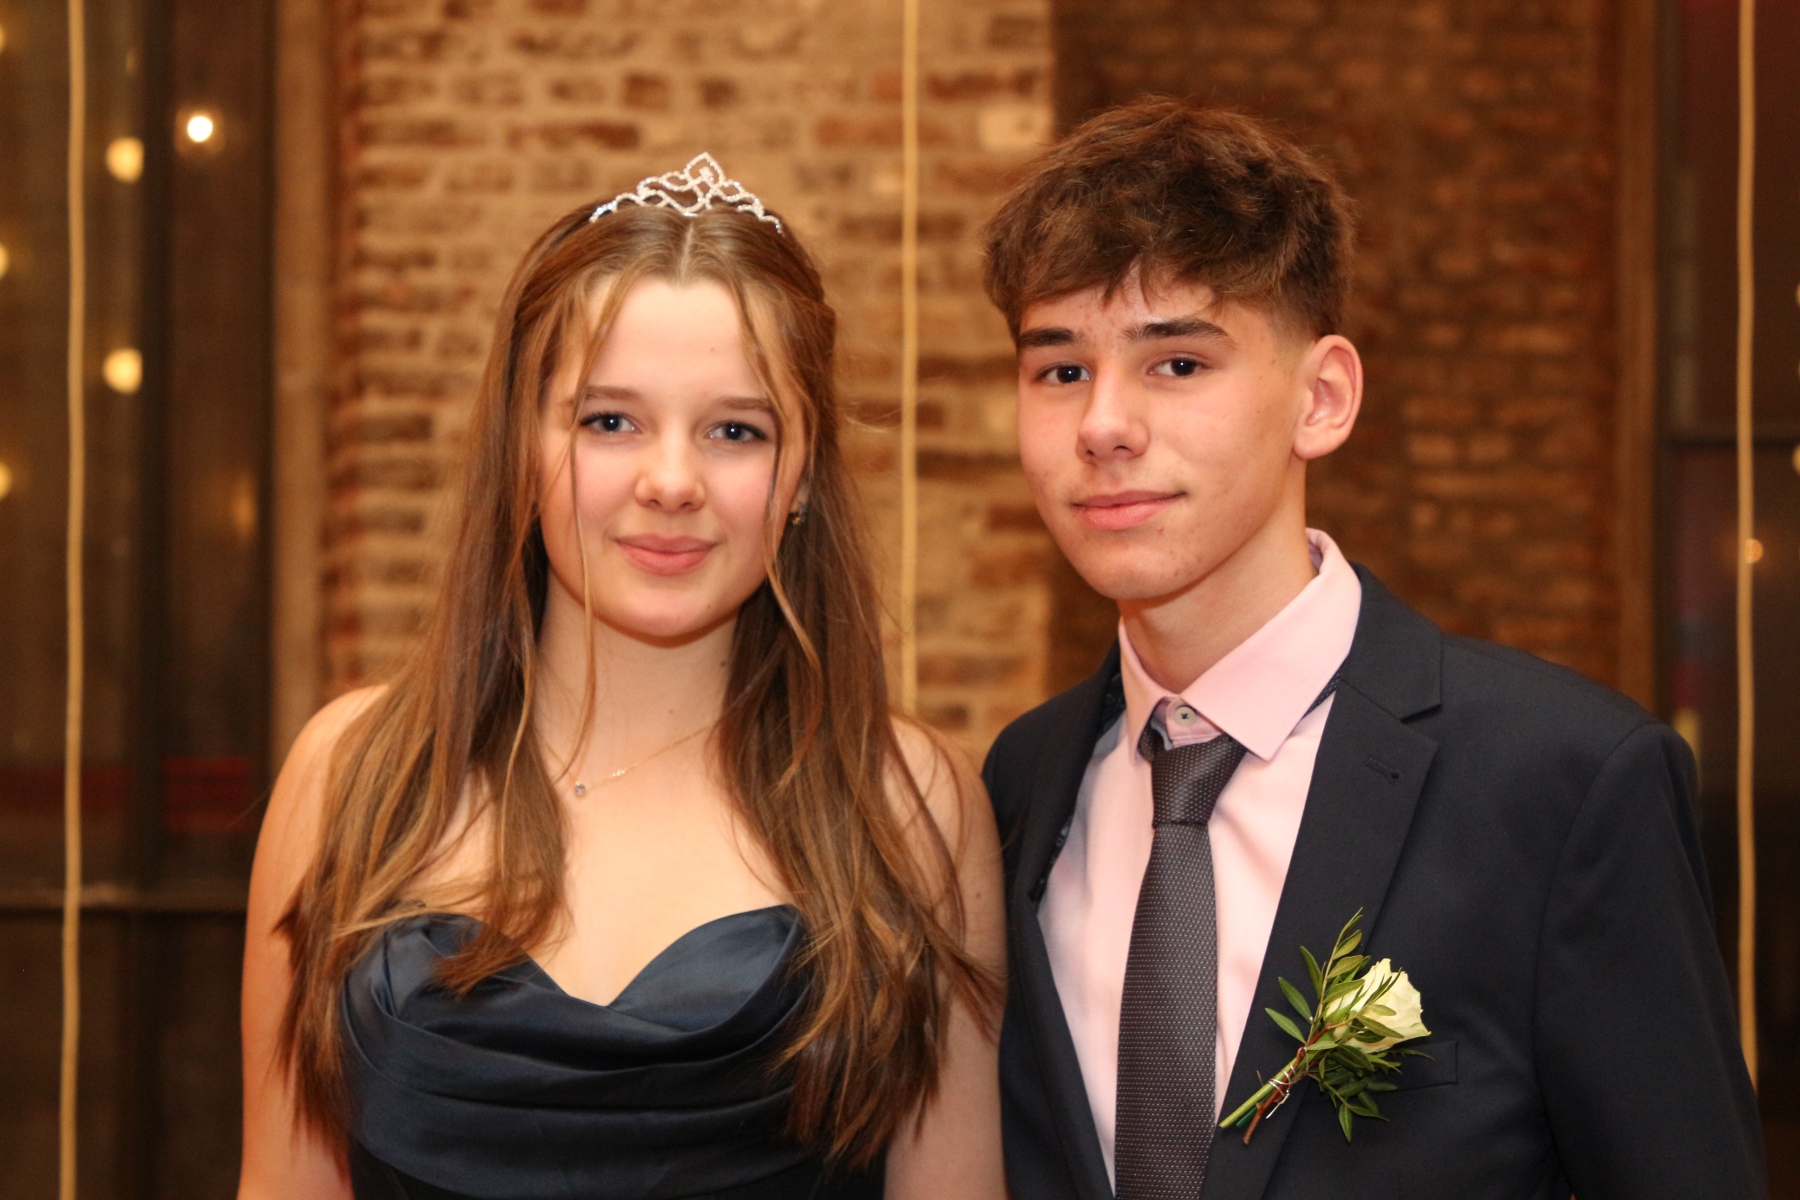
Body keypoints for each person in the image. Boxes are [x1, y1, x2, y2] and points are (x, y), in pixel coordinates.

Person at [979, 101, 1764, 1200]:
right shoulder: (1022, 784)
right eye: (1060, 371)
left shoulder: (1564, 782)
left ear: (1323, 398)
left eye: (1178, 363)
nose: (1103, 424)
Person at [238, 156, 1006, 1200]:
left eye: (735, 431)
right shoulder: (351, 777)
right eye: (610, 421)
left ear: (801, 477)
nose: (672, 481)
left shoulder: (906, 804)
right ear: (524, 446)